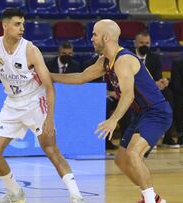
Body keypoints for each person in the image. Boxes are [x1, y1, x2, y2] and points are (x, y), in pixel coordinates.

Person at [0, 8, 84, 203]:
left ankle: (76, 195)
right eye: (17, 24)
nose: (22, 28)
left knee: (50, 148)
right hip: (12, 104)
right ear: (5, 26)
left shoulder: (31, 50)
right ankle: (15, 192)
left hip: (35, 102)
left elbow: (49, 86)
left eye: (23, 24)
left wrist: (50, 117)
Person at [51, 19, 170, 203]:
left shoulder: (124, 60)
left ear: (106, 37)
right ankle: (154, 198)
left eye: (94, 35)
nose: (91, 39)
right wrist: (49, 76)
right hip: (141, 114)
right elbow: (81, 77)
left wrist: (113, 120)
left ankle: (149, 199)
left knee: (133, 154)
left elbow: (128, 95)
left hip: (156, 112)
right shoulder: (105, 61)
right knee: (121, 160)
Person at [134, 31, 177, 148]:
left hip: (151, 91)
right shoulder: (129, 57)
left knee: (169, 94)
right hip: (133, 90)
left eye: (147, 43)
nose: (145, 45)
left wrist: (162, 83)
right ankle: (138, 139)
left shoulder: (155, 58)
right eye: (141, 42)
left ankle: (168, 137)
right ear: (135, 44)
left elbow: (157, 78)